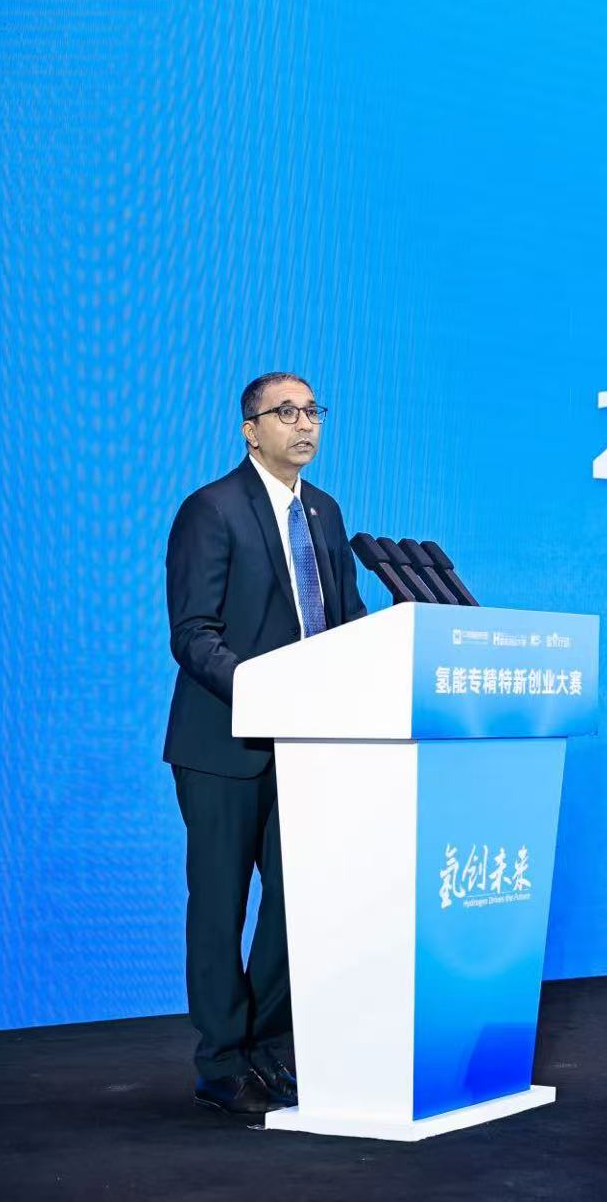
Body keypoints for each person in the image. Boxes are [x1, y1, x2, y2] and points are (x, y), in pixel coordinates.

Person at [163, 373, 367, 1116]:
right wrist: (268, 691)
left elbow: (347, 624)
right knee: (220, 906)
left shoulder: (326, 514)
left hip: (310, 750)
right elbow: (193, 635)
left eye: (314, 410)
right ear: (251, 429)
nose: (304, 424)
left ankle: (267, 1045)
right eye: (287, 412)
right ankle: (220, 1059)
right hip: (224, 745)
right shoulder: (210, 511)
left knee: (295, 908)